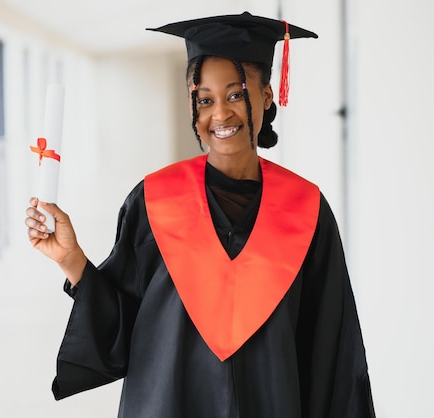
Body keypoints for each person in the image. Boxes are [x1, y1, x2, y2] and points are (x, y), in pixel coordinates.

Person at [25, 11, 375, 418]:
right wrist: (72, 260)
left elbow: (332, 352)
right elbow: (120, 330)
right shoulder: (153, 201)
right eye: (204, 99)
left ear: (266, 95)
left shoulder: (307, 210)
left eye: (235, 94)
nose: (220, 114)